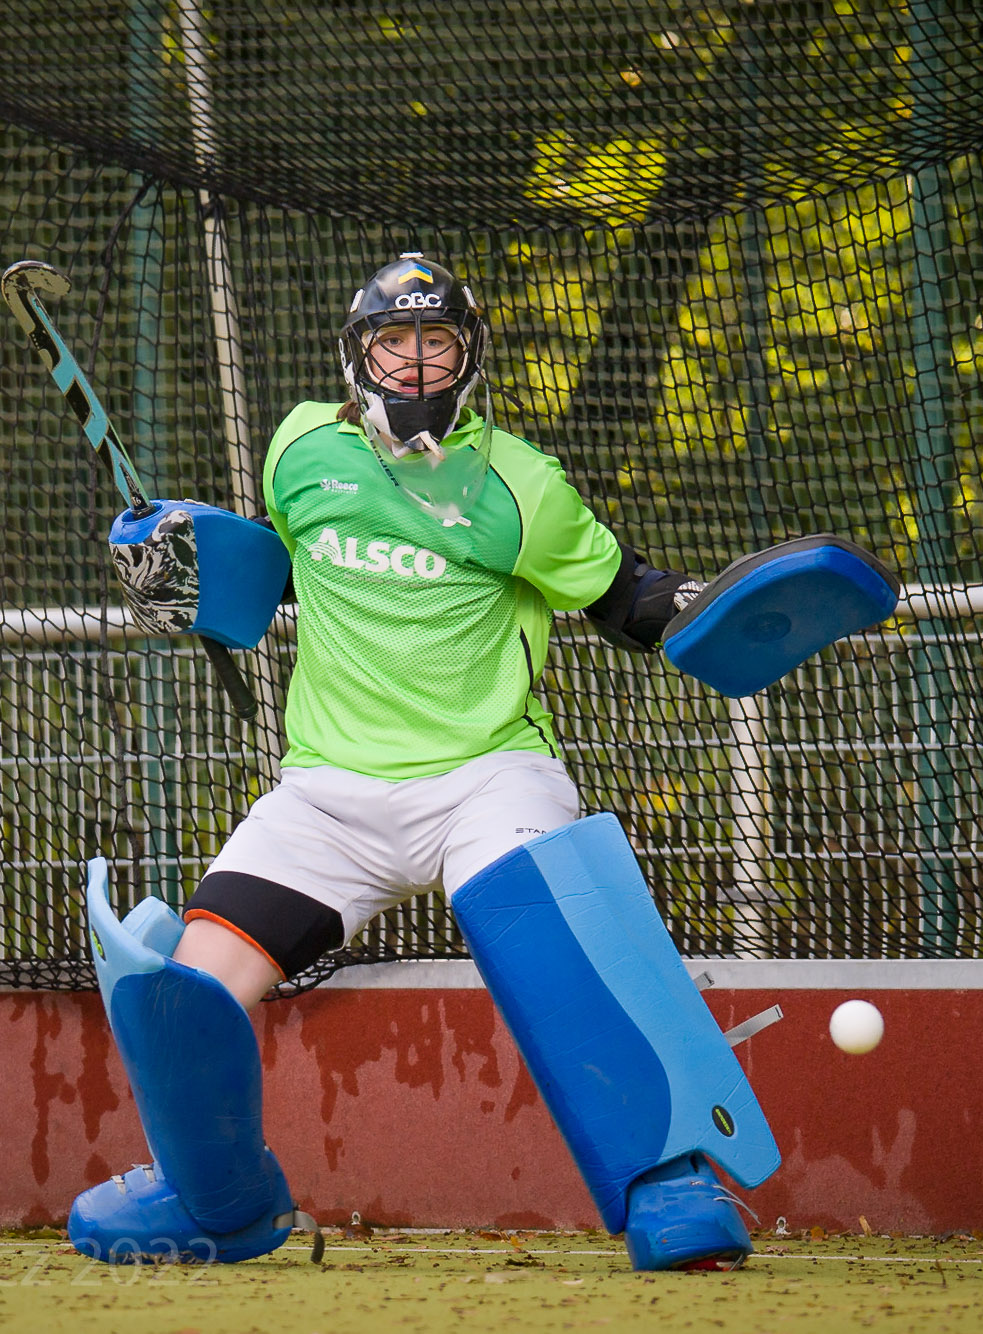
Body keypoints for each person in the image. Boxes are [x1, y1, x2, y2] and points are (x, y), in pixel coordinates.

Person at [68, 253, 779, 1271]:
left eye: (432, 340)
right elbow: (280, 566)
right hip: (326, 796)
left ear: (466, 354)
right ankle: (216, 1201)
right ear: (356, 356)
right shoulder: (299, 448)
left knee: (550, 943)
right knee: (178, 996)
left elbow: (626, 595)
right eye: (390, 342)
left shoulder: (520, 486)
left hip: (486, 775)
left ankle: (671, 1177)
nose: (410, 362)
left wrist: (730, 612)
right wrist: (185, 569)